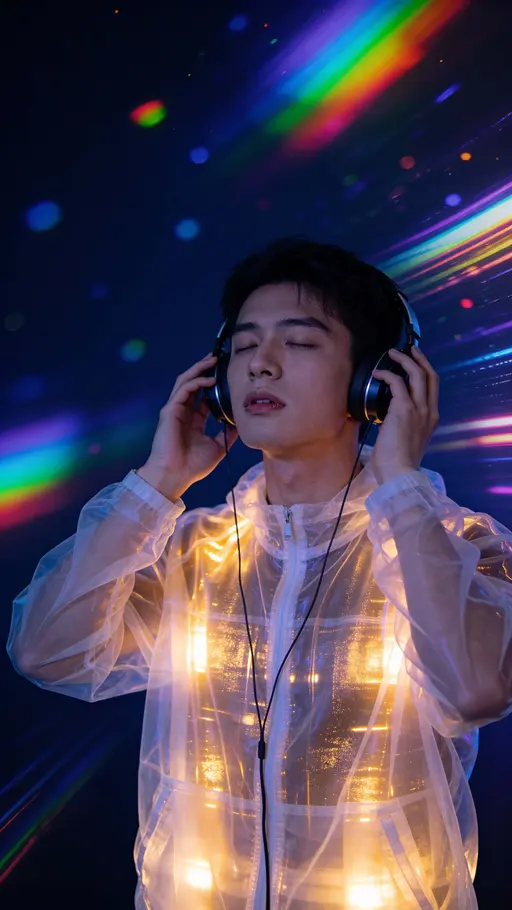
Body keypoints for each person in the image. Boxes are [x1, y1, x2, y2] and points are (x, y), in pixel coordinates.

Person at [7, 237, 512, 910]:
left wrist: (401, 491)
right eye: (243, 348)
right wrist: (158, 484)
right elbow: (46, 650)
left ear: (374, 382)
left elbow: (477, 689)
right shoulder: (190, 552)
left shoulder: (452, 543)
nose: (260, 367)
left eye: (298, 344)